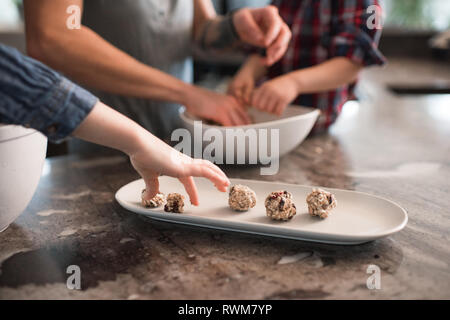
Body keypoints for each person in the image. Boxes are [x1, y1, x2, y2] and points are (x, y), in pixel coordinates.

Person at [0, 43, 230, 205]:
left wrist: (231, 29)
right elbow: (18, 76)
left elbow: (201, 31)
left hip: (161, 136)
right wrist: (140, 141)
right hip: (97, 153)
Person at [23, 0, 291, 138]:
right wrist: (188, 94)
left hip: (177, 142)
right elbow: (53, 37)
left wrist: (236, 26)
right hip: (100, 147)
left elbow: (200, 29)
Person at [228, 0, 387, 132]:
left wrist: (293, 83)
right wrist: (248, 72)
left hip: (318, 120)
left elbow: (351, 64)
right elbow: (268, 46)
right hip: (269, 118)